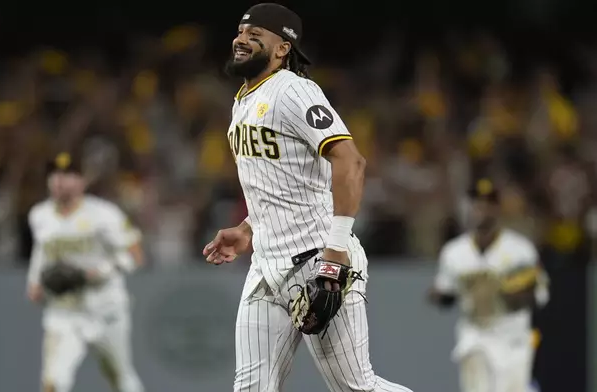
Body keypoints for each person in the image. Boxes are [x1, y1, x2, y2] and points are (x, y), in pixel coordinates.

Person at [202, 3, 413, 391]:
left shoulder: (295, 91)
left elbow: (351, 162)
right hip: (266, 268)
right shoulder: (242, 100)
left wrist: (335, 253)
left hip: (317, 261)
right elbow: (283, 182)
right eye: (240, 32)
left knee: (355, 387)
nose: (241, 40)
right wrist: (248, 229)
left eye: (255, 35)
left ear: (282, 48)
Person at [26, 152, 145, 392]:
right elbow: (42, 250)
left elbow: (135, 255)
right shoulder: (39, 215)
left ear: (82, 181)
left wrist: (99, 271)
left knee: (121, 380)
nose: (59, 180)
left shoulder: (104, 214)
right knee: (53, 384)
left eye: (68, 174)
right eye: (54, 174)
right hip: (63, 311)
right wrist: (34, 280)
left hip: (105, 309)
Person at [428, 178, 550, 392]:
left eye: (487, 204)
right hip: (475, 335)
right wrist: (439, 295)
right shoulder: (455, 252)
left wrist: (508, 292)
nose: (481, 209)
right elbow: (445, 293)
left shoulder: (520, 250)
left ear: (497, 209)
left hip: (513, 338)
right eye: (476, 203)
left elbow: (538, 296)